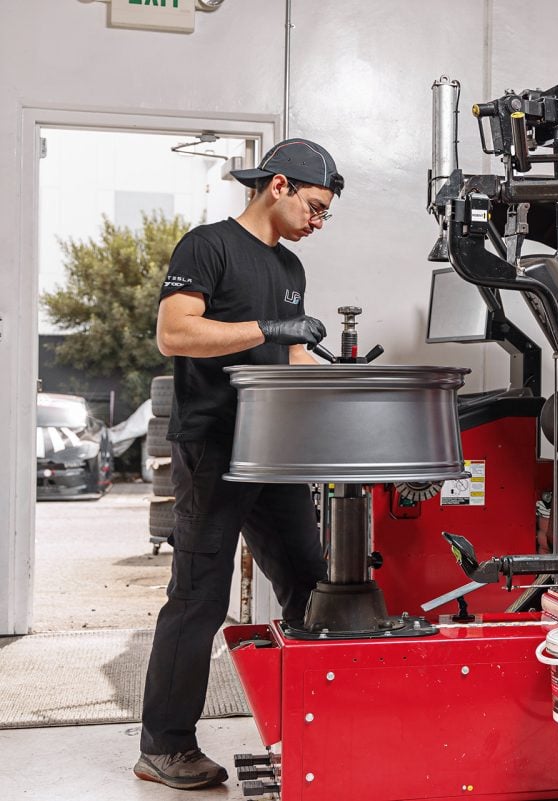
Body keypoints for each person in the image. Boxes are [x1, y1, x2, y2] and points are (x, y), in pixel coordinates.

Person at [133, 138, 343, 790]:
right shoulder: (208, 246)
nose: (318, 222)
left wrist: (348, 384)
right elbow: (175, 331)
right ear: (277, 186)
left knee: (313, 584)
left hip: (273, 450)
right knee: (199, 597)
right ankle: (164, 745)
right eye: (313, 207)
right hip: (213, 446)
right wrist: (269, 330)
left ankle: (320, 727)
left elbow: (291, 359)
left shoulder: (291, 273)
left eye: (325, 214)